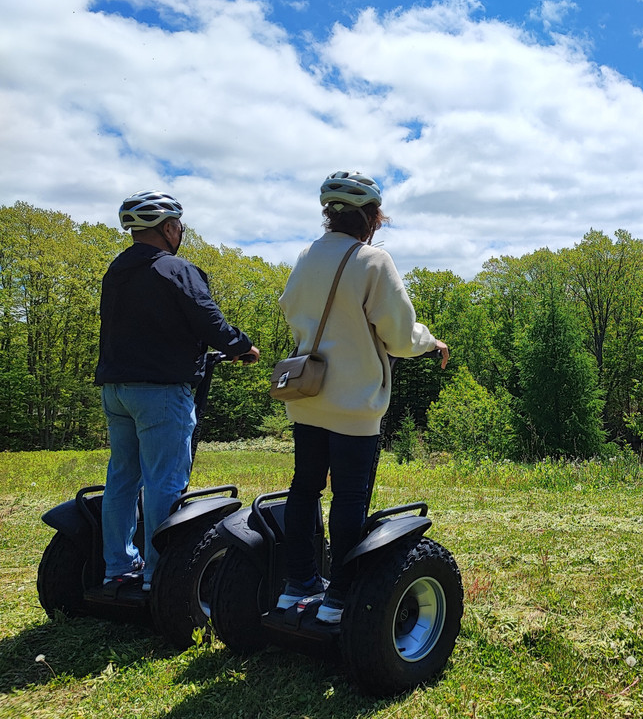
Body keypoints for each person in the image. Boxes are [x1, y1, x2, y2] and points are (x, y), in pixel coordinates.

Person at [276, 170, 448, 623]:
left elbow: (289, 309)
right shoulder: (373, 261)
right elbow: (399, 336)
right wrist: (430, 341)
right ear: (372, 217)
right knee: (350, 498)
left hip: (307, 394)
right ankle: (339, 597)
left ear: (329, 215)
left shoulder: (306, 256)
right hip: (354, 404)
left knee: (304, 489)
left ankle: (297, 586)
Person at [95, 190, 260, 592]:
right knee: (164, 481)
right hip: (161, 392)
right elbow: (208, 320)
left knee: (122, 478)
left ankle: (117, 567)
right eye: (179, 226)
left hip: (116, 388)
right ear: (169, 228)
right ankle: (159, 575)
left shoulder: (117, 270)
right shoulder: (175, 269)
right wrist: (242, 346)